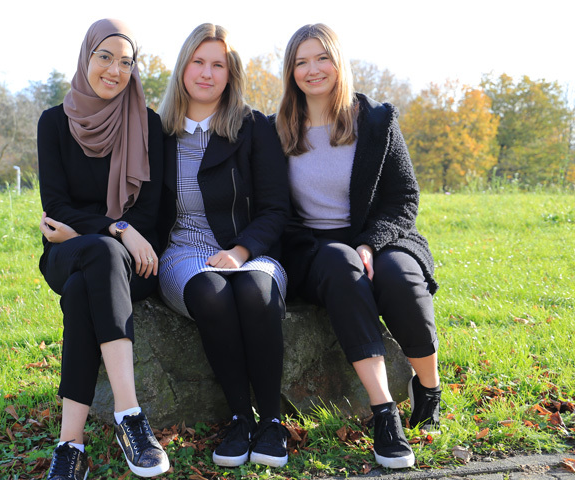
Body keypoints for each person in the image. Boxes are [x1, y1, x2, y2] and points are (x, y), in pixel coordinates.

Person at [275, 23, 442, 469]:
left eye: (321, 58)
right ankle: (385, 413)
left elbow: (403, 196)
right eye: (301, 62)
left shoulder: (376, 121)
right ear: (291, 71)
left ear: (338, 62)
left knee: (401, 278)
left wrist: (371, 243)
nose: (312, 70)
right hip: (315, 248)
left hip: (381, 234)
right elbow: (273, 209)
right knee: (340, 263)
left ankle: (428, 386)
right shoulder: (277, 130)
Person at [36, 18, 169, 480]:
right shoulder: (54, 123)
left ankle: (70, 447)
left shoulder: (149, 126)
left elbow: (154, 212)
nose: (115, 70)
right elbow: (56, 208)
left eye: (127, 62)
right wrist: (118, 228)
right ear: (86, 57)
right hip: (65, 251)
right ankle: (130, 416)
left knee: (83, 289)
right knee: (101, 252)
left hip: (132, 262)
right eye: (105, 57)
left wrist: (114, 233)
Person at [156, 23, 291, 469]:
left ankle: (271, 421)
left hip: (249, 250)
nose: (207, 73)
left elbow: (275, 208)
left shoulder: (254, 128)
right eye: (198, 61)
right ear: (183, 68)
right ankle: (239, 418)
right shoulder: (159, 132)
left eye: (218, 64)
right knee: (211, 295)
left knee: (256, 292)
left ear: (230, 74)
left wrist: (241, 251)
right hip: (184, 251)